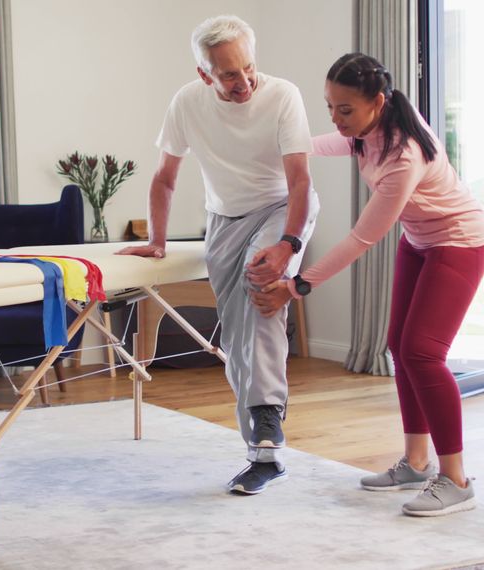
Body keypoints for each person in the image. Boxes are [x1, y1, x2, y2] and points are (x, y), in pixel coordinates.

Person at [251, 52, 484, 516]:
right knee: (399, 347)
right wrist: (284, 144)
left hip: (459, 243)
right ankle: (417, 462)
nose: (337, 119)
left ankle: (456, 479)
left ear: (377, 102)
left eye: (346, 110)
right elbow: (327, 145)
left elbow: (362, 238)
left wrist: (298, 284)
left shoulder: (405, 154)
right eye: (330, 108)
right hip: (421, 241)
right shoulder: (365, 133)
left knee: (423, 352)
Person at [117, 15, 319, 495]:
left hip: (280, 209)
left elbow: (301, 182)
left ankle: (267, 429)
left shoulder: (282, 94)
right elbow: (165, 177)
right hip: (224, 220)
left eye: (248, 67)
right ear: (204, 74)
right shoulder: (187, 103)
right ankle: (261, 446)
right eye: (229, 74)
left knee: (261, 291)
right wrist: (158, 241)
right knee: (235, 329)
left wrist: (288, 243)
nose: (244, 81)